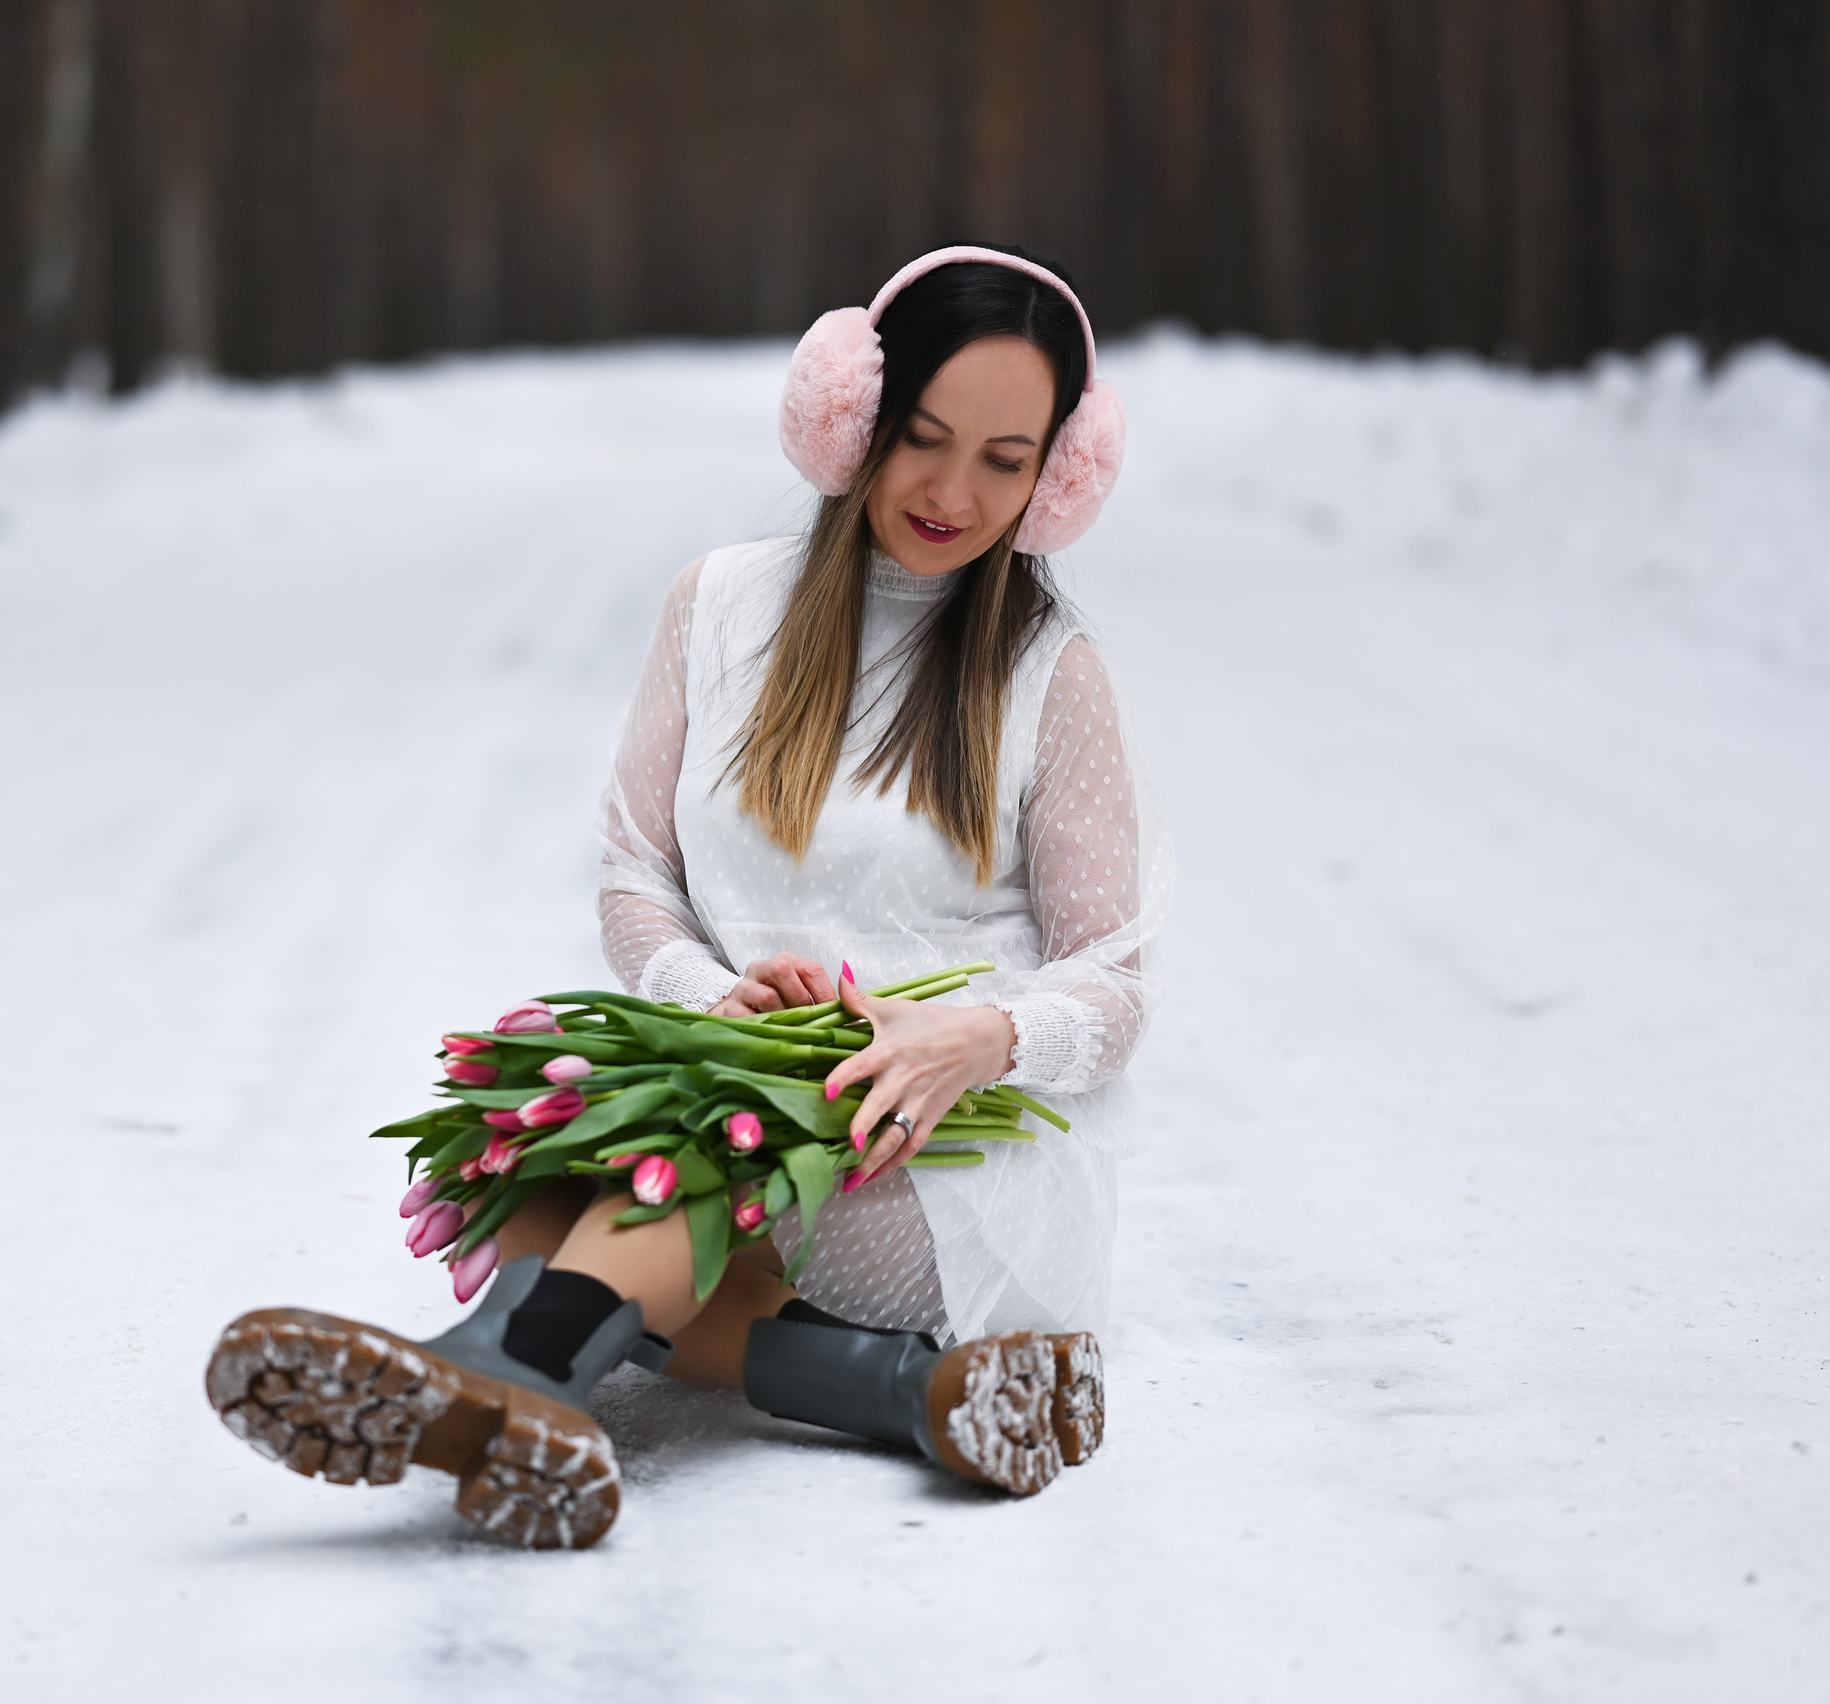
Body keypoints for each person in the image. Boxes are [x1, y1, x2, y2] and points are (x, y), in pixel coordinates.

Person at [204, 245, 1167, 1550]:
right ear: (850, 419)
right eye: (922, 437)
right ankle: (899, 1397)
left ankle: (507, 1371)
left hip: (943, 1168)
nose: (953, 492)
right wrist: (719, 1005)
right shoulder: (715, 608)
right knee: (534, 1157)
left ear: (1059, 476)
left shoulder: (1055, 674)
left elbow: (1114, 981)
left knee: (670, 1174)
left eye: (1007, 460)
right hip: (745, 1116)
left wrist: (976, 1036)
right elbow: (633, 877)